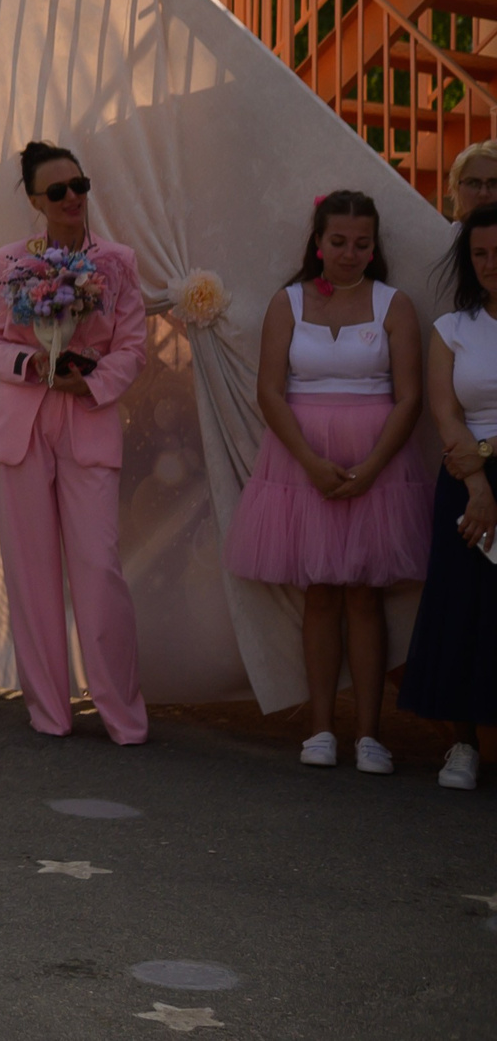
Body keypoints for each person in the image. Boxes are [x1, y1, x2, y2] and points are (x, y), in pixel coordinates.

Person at [224, 190, 432, 773]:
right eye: (337, 242)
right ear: (317, 243)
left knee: (364, 598)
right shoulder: (286, 303)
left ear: (374, 247)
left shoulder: (394, 305)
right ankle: (320, 728)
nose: (348, 253)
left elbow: (411, 397)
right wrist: (312, 464)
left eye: (361, 243)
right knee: (319, 596)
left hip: (379, 463)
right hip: (301, 464)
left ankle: (370, 735)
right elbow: (270, 391)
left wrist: (371, 468)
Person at [0, 140, 149, 746]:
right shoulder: (9, 259)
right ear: (34, 200)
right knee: (31, 575)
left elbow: (131, 346)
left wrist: (90, 381)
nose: (72, 198)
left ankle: (122, 716)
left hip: (89, 420)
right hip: (20, 426)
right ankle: (50, 713)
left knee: (99, 570)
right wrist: (32, 365)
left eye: (79, 186)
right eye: (57, 191)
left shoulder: (119, 261)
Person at [402, 203, 497, 791]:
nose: (490, 264)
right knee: (461, 606)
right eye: (480, 253)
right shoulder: (450, 329)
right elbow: (445, 411)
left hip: (479, 461)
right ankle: (462, 746)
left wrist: (486, 456)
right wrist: (480, 485)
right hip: (465, 480)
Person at [449, 141, 497, 224]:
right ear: (457, 188)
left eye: (494, 183)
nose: (483, 193)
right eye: (473, 183)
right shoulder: (441, 236)